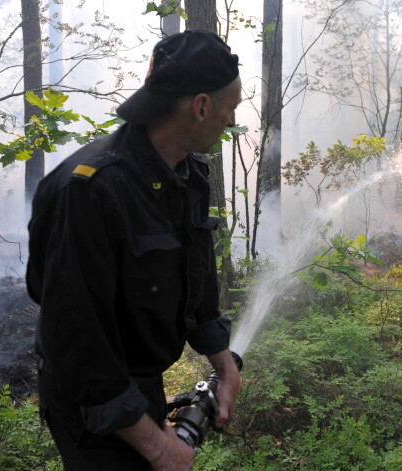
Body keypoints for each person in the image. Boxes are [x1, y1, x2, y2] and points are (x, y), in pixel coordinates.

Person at [26, 30, 242, 471]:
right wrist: (158, 445)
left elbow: (195, 269)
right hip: (89, 398)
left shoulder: (187, 174)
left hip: (137, 380)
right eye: (231, 109)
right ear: (201, 106)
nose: (231, 121)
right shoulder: (90, 192)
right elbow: (78, 341)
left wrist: (222, 358)